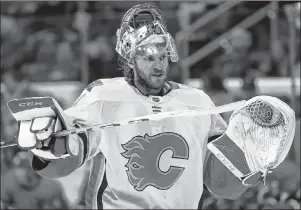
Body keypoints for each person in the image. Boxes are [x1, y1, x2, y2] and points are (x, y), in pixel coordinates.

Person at [10, 3, 293, 209]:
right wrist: (48, 146)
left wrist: (246, 162)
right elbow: (69, 155)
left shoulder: (196, 102)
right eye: (147, 57)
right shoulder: (103, 96)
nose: (158, 65)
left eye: (162, 55)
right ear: (130, 60)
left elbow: (219, 182)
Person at [0, 151, 69, 209]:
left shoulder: (52, 186)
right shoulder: (8, 183)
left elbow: (64, 207)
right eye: (18, 168)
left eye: (24, 167)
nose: (18, 173)